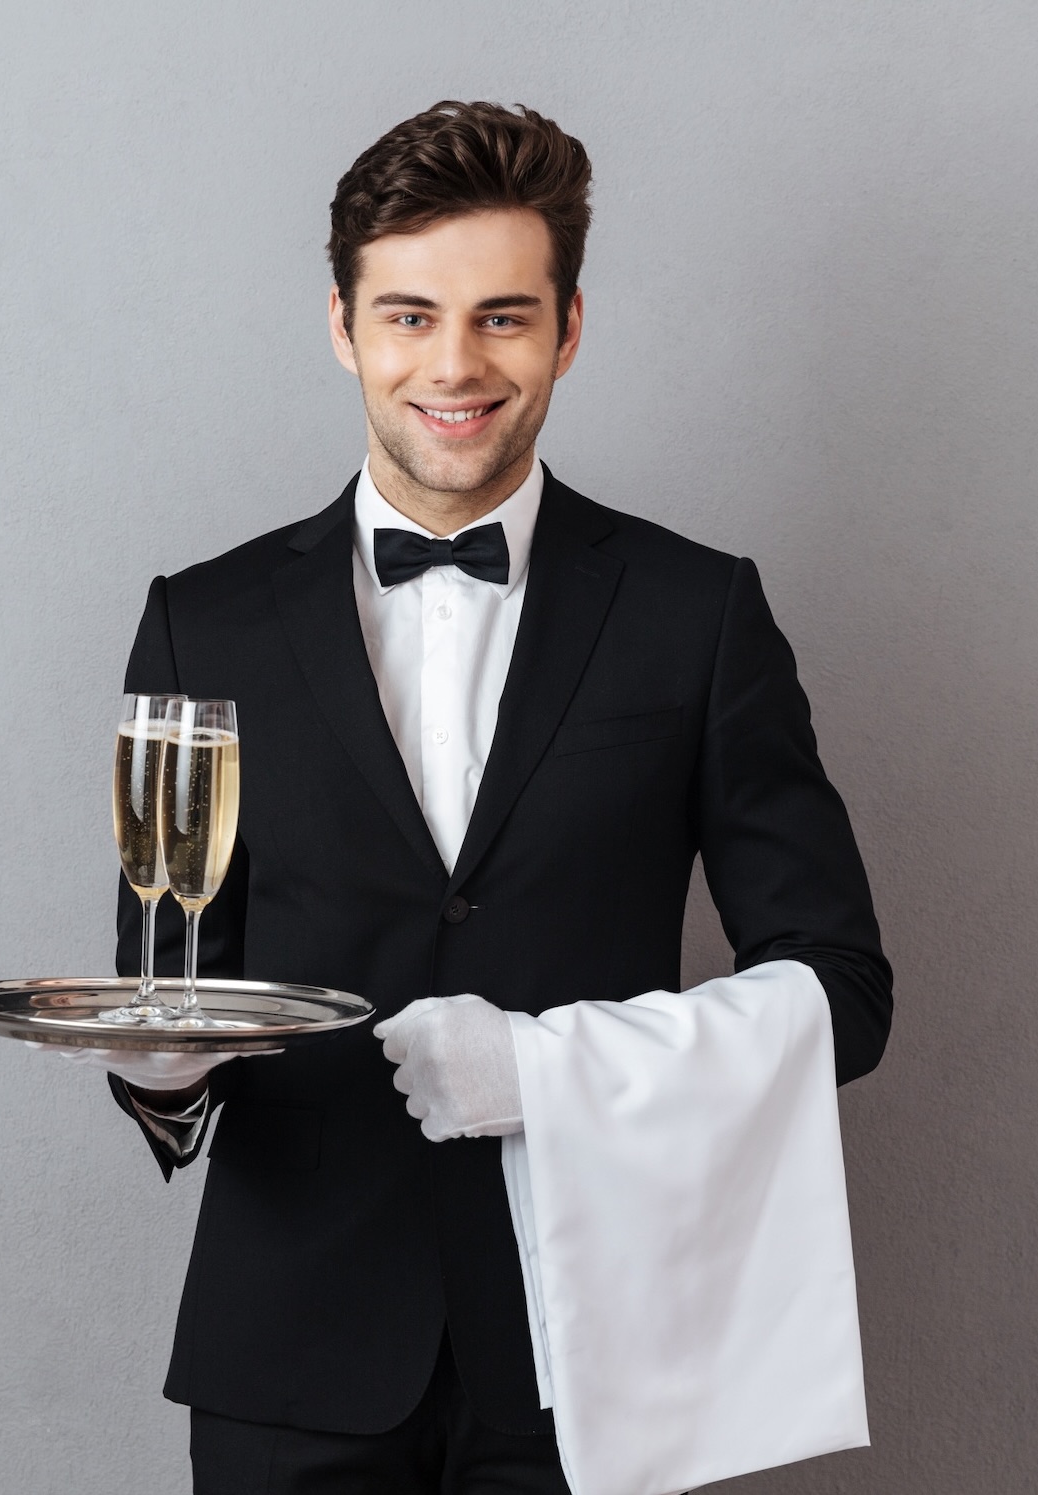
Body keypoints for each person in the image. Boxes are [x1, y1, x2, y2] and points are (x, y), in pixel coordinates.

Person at [73, 100, 891, 1495]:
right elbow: (174, 977)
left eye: (504, 318)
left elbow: (843, 995)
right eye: (408, 317)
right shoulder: (202, 621)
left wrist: (550, 1072)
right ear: (343, 326)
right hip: (293, 1358)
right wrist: (154, 1071)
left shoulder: (696, 615)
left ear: (570, 329)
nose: (455, 365)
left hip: (592, 1358)